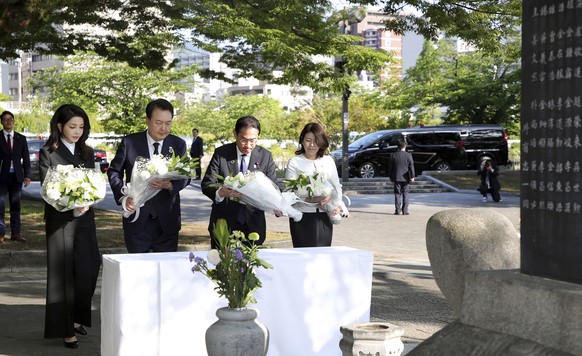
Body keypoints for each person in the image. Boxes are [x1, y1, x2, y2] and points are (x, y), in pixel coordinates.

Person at [40, 104, 101, 349]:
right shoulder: (48, 152)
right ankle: (66, 329)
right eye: (72, 127)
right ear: (59, 126)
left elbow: (95, 182)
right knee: (62, 275)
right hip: (60, 220)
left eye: (81, 127)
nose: (77, 132)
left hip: (85, 219)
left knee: (89, 270)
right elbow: (47, 187)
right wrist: (69, 203)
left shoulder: (87, 151)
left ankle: (77, 317)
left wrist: (88, 199)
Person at [108, 98, 189, 253]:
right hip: (137, 218)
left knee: (165, 273)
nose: (164, 128)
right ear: (147, 120)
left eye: (168, 123)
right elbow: (114, 172)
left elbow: (186, 175)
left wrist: (171, 185)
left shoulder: (178, 144)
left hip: (167, 222)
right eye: (158, 122)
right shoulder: (130, 142)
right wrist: (123, 197)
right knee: (138, 272)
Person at [201, 116, 277, 248]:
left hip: (253, 224)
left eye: (253, 141)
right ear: (235, 134)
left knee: (250, 267)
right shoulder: (222, 154)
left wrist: (276, 204)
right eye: (244, 140)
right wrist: (221, 193)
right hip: (224, 223)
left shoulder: (265, 156)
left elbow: (275, 186)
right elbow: (207, 183)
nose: (248, 145)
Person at [285, 122, 346, 247]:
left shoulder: (328, 160)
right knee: (303, 256)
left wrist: (333, 201)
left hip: (324, 215)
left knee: (322, 257)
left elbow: (336, 186)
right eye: (308, 140)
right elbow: (289, 191)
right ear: (302, 141)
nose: (312, 145)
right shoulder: (294, 162)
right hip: (302, 216)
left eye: (316, 141)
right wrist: (309, 199)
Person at [0, 110, 31, 243]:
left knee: (15, 206)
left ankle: (16, 233)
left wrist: (28, 175)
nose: (9, 122)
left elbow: (26, 158)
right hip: (2, 176)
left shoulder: (21, 138)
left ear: (14, 121)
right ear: (1, 122)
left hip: (17, 177)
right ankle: (1, 233)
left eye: (11, 119)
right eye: (6, 120)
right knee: (0, 205)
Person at [388, 140, 415, 215]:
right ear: (405, 146)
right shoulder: (408, 155)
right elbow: (411, 167)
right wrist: (412, 176)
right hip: (406, 178)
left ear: (398, 146)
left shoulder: (393, 155)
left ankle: (397, 211)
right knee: (406, 194)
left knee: (397, 194)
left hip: (396, 177)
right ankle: (405, 211)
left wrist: (390, 176)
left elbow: (390, 167)